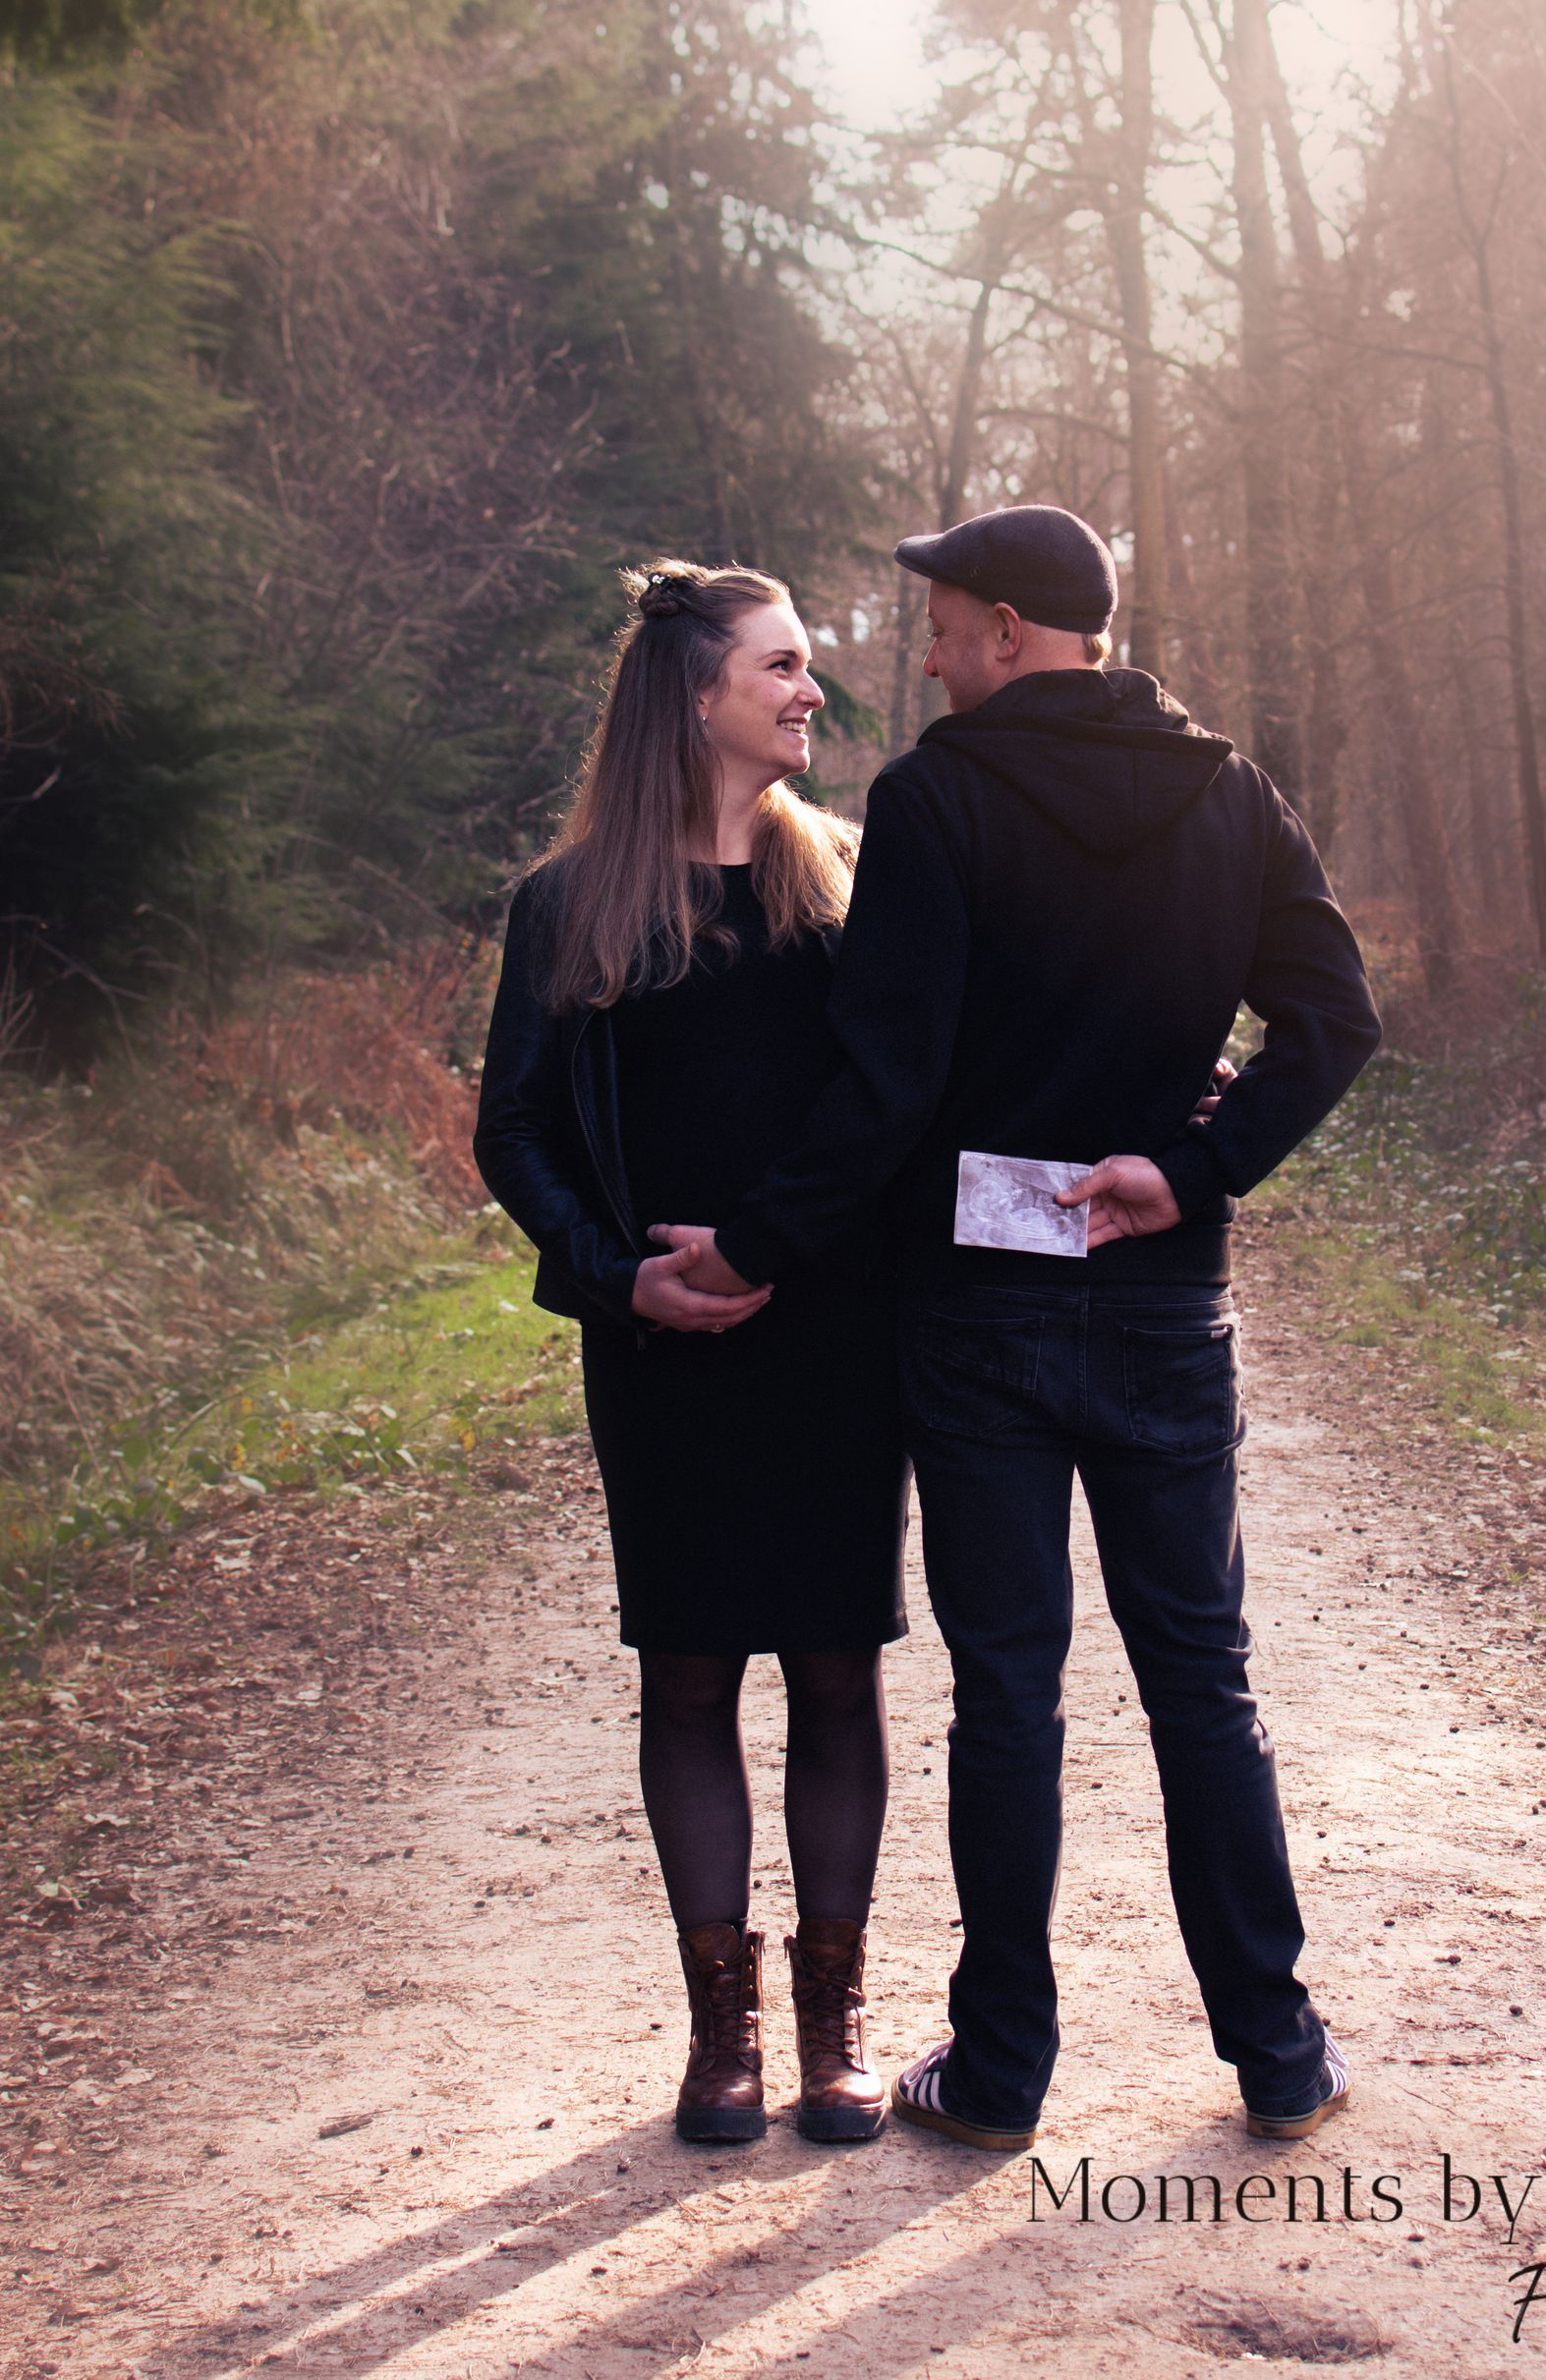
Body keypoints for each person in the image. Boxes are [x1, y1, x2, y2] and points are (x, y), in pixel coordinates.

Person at [654, 504, 1382, 2154]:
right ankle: (1276, 2050)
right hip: (1160, 1299)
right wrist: (1191, 1170)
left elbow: (890, 1073)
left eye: (942, 624)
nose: (926, 655)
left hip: (978, 1312)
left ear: (1001, 628)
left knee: (1011, 1698)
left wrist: (757, 1243)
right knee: (1205, 1682)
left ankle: (999, 2077)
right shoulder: (1227, 791)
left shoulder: (940, 796)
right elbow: (1337, 1024)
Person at [472, 560, 908, 2148]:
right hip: (663, 1357)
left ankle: (831, 2021)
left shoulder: (845, 887)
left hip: (837, 1340)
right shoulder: (569, 904)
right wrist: (615, 1285)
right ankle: (720, 2036)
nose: (811, 691)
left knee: (838, 1669)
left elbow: (932, 1086)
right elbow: (512, 1127)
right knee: (692, 1672)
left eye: (808, 668)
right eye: (783, 667)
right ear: (697, 694)